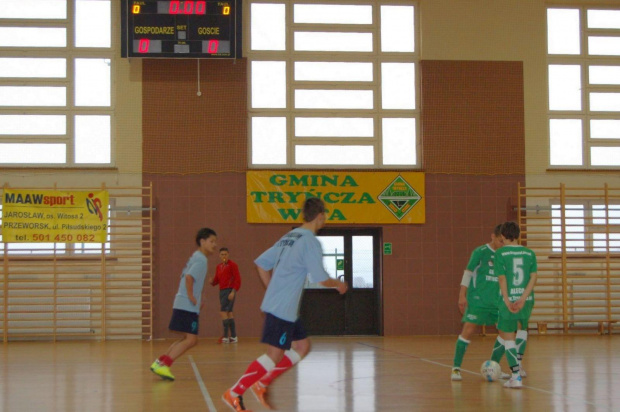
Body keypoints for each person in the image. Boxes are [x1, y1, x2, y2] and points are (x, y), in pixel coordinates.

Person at [221, 198, 348, 412]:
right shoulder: (310, 241)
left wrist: (272, 291)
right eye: (324, 215)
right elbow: (320, 278)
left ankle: (262, 383)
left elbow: (261, 264)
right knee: (274, 355)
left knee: (302, 346)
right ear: (320, 216)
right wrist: (339, 284)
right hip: (282, 308)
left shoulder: (289, 236)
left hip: (284, 306)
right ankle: (234, 393)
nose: (324, 219)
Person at [150, 227, 218, 381]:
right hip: (187, 304)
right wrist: (192, 297)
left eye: (215, 242)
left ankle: (160, 362)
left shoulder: (196, 256)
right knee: (191, 339)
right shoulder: (201, 259)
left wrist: (199, 297)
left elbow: (192, 280)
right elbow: (189, 277)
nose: (214, 245)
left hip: (183, 302)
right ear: (202, 241)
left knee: (186, 338)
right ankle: (164, 365)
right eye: (211, 241)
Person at [451, 224, 505, 381]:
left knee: (505, 333)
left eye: (504, 241)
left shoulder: (504, 255)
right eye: (500, 240)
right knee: (468, 330)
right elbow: (468, 273)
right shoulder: (480, 252)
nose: (502, 244)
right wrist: (462, 295)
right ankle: (456, 368)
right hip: (478, 300)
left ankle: (493, 367)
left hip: (497, 301)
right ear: (493, 236)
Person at [494, 221, 537, 389]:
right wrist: (523, 298)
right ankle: (520, 366)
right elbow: (533, 277)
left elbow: (502, 278)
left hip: (509, 299)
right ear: (518, 235)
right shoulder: (529, 253)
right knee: (522, 329)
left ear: (503, 236)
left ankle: (515, 376)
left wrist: (507, 299)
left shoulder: (500, 253)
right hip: (526, 300)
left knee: (508, 336)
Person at [211, 247, 242, 343]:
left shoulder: (233, 265)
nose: (224, 256)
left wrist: (233, 291)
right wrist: (212, 281)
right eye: (222, 254)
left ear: (228, 254)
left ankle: (225, 337)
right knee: (229, 313)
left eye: (225, 254)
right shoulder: (219, 267)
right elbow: (216, 280)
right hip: (222, 291)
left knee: (223, 312)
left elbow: (237, 279)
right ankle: (233, 337)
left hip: (229, 291)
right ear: (219, 255)